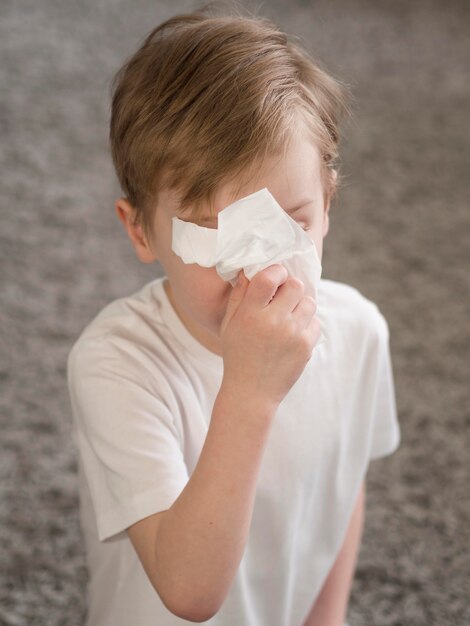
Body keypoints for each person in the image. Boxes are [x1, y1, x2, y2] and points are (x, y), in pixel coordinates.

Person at [67, 5, 400, 626]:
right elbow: (188, 593)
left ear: (326, 205)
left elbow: (342, 481)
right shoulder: (116, 363)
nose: (258, 271)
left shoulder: (357, 332)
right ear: (141, 230)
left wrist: (326, 617)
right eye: (215, 234)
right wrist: (250, 391)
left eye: (290, 224)